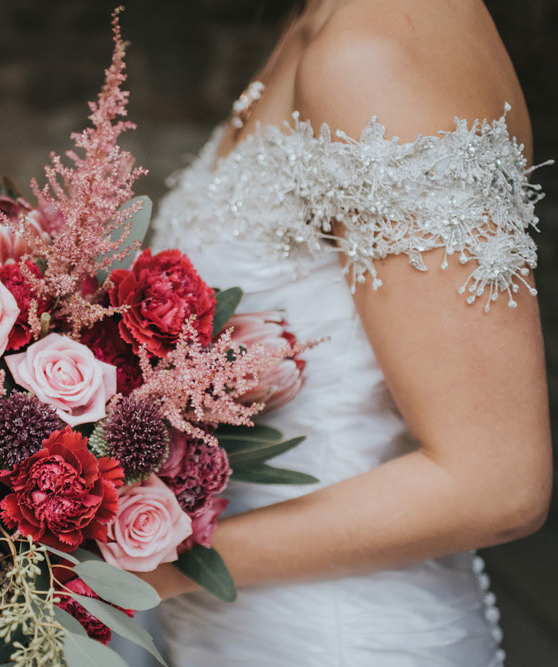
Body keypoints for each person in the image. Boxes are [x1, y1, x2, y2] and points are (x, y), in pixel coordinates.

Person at [141, 0, 553, 664]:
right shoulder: (320, 24)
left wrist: (142, 564)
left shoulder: (381, 45)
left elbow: (496, 482)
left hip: (334, 634)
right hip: (236, 624)